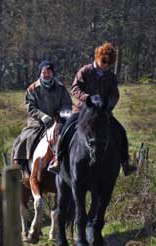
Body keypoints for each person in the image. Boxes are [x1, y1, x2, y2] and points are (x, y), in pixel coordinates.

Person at [48, 42, 137, 176]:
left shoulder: (111, 77)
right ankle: (58, 160)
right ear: (98, 57)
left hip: (102, 113)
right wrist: (87, 98)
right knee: (65, 129)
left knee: (121, 131)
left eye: (109, 63)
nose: (106, 64)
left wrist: (108, 104)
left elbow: (115, 95)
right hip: (82, 111)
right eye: (104, 61)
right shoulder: (85, 70)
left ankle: (125, 163)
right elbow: (75, 88)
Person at [12, 60, 72, 172]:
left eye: (49, 72)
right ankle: (21, 165)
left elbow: (67, 105)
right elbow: (29, 106)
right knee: (25, 138)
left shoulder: (61, 88)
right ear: (40, 73)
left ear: (53, 73)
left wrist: (61, 119)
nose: (46, 75)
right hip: (37, 123)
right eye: (44, 72)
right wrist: (42, 116)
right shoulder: (32, 88)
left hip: (57, 123)